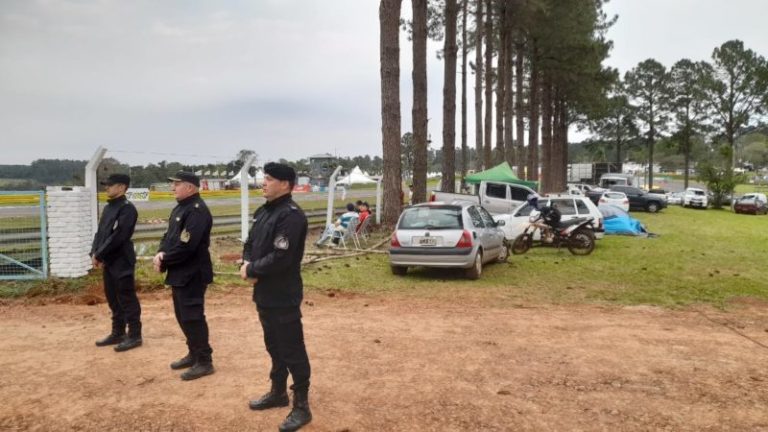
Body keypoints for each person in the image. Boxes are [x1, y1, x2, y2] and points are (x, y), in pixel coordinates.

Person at [240, 162, 312, 432]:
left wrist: (253, 269)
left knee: (292, 349)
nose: (263, 182)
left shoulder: (290, 216)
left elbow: (282, 257)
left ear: (284, 184)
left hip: (283, 294)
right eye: (264, 178)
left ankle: (302, 406)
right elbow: (249, 243)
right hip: (264, 293)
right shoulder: (264, 211)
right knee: (274, 346)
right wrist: (246, 265)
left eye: (269, 179)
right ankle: (278, 392)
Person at [153, 171, 215, 381]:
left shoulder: (197, 211)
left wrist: (165, 259)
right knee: (182, 316)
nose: (173, 188)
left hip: (192, 273)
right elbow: (168, 236)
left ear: (190, 187)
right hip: (179, 271)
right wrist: (161, 253)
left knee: (193, 316)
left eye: (177, 184)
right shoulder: (181, 208)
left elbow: (187, 246)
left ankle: (204, 361)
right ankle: (194, 353)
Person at [90, 173, 142, 352]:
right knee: (112, 297)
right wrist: (94, 252)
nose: (107, 188)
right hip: (108, 260)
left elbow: (119, 236)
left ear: (121, 187)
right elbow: (101, 233)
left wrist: (100, 253)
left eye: (110, 185)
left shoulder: (127, 209)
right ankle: (118, 332)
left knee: (126, 297)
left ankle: (134, 335)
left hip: (122, 260)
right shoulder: (109, 207)